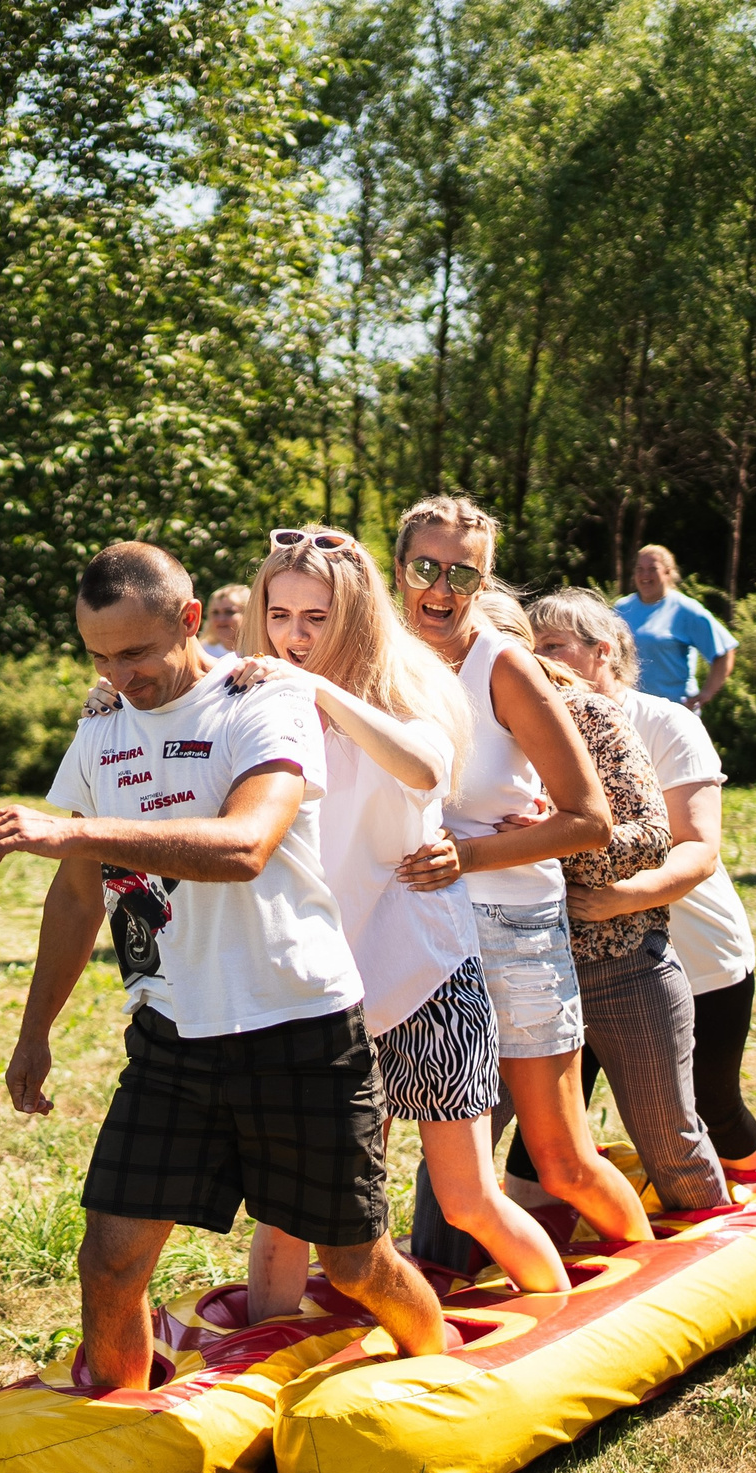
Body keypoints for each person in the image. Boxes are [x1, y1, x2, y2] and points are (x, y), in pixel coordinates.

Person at [0, 540, 450, 1390]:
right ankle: (124, 1429)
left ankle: (448, 1378)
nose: (119, 675)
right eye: (98, 656)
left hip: (300, 1030)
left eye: (135, 652)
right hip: (172, 1038)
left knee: (354, 1264)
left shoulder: (261, 700)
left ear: (191, 620)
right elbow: (75, 901)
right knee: (111, 1260)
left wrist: (74, 831)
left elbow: (245, 845)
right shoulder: (101, 728)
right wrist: (33, 1034)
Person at [229, 531, 569, 1304]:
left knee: (467, 1198)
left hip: (427, 974)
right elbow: (173, 717)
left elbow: (424, 768)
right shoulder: (251, 693)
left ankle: (560, 1319)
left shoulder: (407, 676)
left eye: (316, 616)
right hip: (320, 989)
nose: (294, 636)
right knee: (293, 1212)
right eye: (279, 614)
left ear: (354, 612)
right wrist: (119, 698)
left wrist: (320, 692)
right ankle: (260, 1368)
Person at [387, 496, 655, 1247]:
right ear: (399, 566)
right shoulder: (379, 659)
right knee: (410, 1162)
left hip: (511, 929)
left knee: (561, 1158)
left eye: (462, 574)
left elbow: (590, 818)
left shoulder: (502, 665)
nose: (441, 590)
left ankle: (643, 1286)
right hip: (409, 929)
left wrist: (465, 854)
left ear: (487, 578)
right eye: (426, 568)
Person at [528, 588, 756, 1176]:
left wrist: (622, 899)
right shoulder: (531, 730)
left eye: (553, 647)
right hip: (581, 958)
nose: (537, 662)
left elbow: (700, 849)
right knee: (551, 1123)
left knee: (712, 1105)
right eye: (529, 649)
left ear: (601, 651)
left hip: (698, 954)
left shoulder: (665, 722)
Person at [616, 545, 737, 711]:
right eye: (639, 569)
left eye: (652, 569)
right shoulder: (621, 609)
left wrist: (707, 694)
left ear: (667, 572)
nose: (645, 575)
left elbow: (724, 651)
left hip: (675, 712)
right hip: (631, 711)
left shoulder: (685, 610)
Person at [202, 582, 250, 659]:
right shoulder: (203, 652)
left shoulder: (261, 650)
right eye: (215, 612)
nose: (221, 619)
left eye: (229, 612)